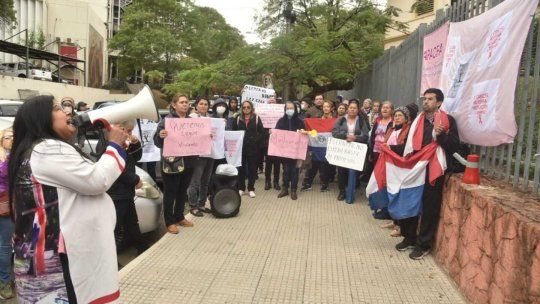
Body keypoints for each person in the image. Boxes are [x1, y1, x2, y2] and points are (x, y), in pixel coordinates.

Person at [9, 95, 128, 303]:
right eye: (56, 109)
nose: (67, 112)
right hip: (59, 259)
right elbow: (97, 180)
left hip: (54, 254)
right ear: (40, 119)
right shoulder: (46, 150)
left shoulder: (43, 149)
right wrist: (115, 146)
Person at [396, 88, 459, 260]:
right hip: (414, 167)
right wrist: (391, 150)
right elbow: (408, 145)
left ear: (439, 102)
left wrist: (440, 136)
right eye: (425, 99)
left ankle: (423, 244)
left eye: (430, 99)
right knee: (410, 200)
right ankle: (409, 237)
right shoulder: (417, 121)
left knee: (429, 207)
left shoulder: (447, 121)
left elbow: (454, 146)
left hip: (433, 169)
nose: (426, 102)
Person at [154, 93, 195, 234]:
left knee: (182, 191)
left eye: (186, 102)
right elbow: (157, 141)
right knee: (171, 192)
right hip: (172, 163)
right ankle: (170, 221)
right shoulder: (167, 121)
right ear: (174, 105)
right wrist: (161, 136)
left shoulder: (192, 121)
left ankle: (179, 217)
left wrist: (207, 137)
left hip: (189, 162)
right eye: (182, 102)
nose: (185, 104)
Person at [106, 120, 149, 254]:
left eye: (131, 131)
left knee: (131, 222)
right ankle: (111, 257)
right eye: (127, 130)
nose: (128, 134)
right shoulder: (109, 144)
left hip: (125, 192)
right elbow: (117, 169)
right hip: (116, 193)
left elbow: (136, 158)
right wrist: (135, 180)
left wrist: (136, 144)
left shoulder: (123, 144)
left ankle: (141, 247)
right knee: (115, 227)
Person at [378, 107, 412, 237]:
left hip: (400, 167)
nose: (397, 117)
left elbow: (405, 148)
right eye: (396, 115)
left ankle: (400, 226)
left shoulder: (407, 130)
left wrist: (390, 148)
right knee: (390, 192)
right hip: (389, 165)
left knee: (398, 194)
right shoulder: (391, 128)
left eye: (400, 115)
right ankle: (394, 221)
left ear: (406, 118)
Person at [332, 100, 370, 201]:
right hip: (343, 150)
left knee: (353, 171)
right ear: (347, 109)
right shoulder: (340, 120)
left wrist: (355, 138)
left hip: (355, 151)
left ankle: (351, 191)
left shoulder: (361, 121)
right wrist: (346, 136)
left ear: (358, 110)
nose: (352, 109)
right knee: (341, 171)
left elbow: (365, 136)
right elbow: (335, 133)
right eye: (350, 108)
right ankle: (342, 192)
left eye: (354, 108)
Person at [188, 97, 214, 217]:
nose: (203, 106)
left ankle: (202, 204)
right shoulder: (191, 118)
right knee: (195, 182)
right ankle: (193, 206)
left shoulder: (211, 119)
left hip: (210, 153)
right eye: (201, 104)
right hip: (198, 155)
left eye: (206, 104)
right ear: (196, 106)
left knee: (205, 181)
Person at [301, 100, 336, 192]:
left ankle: (325, 184)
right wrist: (307, 132)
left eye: (328, 106)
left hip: (328, 147)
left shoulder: (335, 120)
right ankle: (308, 183)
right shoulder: (317, 119)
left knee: (325, 166)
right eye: (324, 106)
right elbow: (312, 131)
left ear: (331, 108)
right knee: (313, 164)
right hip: (316, 146)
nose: (325, 108)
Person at [232, 100, 264, 198]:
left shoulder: (257, 118)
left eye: (248, 107)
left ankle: (251, 188)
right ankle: (241, 188)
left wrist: (255, 140)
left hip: (253, 148)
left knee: (252, 169)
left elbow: (262, 133)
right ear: (242, 108)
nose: (246, 109)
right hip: (241, 148)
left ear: (251, 108)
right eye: (244, 107)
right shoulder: (237, 118)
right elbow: (233, 132)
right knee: (240, 169)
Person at [275, 101, 305, 200]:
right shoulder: (281, 121)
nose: (289, 110)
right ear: (285, 110)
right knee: (286, 170)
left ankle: (293, 190)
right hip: (285, 152)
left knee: (295, 171)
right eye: (287, 108)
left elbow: (304, 134)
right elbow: (277, 133)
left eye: (291, 108)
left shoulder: (300, 121)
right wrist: (272, 132)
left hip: (296, 151)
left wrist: (302, 132)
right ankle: (285, 189)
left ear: (295, 109)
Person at [0, 128, 13, 300]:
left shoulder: (14, 156)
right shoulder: (6, 158)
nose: (11, 139)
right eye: (8, 137)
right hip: (4, 206)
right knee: (4, 247)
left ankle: (6, 279)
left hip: (10, 205)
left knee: (6, 245)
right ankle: (4, 282)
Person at [369, 101, 394, 166]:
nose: (385, 109)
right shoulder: (377, 120)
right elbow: (372, 136)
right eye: (383, 107)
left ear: (391, 111)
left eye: (387, 108)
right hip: (375, 150)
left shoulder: (393, 122)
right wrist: (371, 151)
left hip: (386, 152)